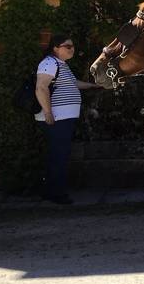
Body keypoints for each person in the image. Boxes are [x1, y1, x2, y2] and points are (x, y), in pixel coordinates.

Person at [35, 33, 99, 204]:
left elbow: (74, 83)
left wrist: (94, 85)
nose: (72, 49)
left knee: (58, 154)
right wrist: (48, 113)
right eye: (67, 46)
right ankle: (57, 194)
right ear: (56, 48)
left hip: (63, 118)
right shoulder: (49, 63)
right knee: (59, 155)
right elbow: (41, 88)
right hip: (56, 118)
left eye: (72, 46)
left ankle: (50, 191)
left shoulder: (61, 64)